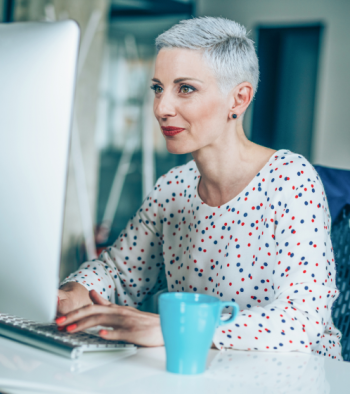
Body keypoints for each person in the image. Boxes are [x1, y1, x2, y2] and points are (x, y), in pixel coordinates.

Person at [56, 17, 342, 360]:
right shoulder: (173, 189)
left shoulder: (291, 181)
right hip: (203, 369)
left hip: (295, 377)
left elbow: (300, 320)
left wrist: (172, 328)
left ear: (238, 99)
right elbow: (118, 274)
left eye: (185, 89)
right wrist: (74, 291)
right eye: (157, 88)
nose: (162, 108)